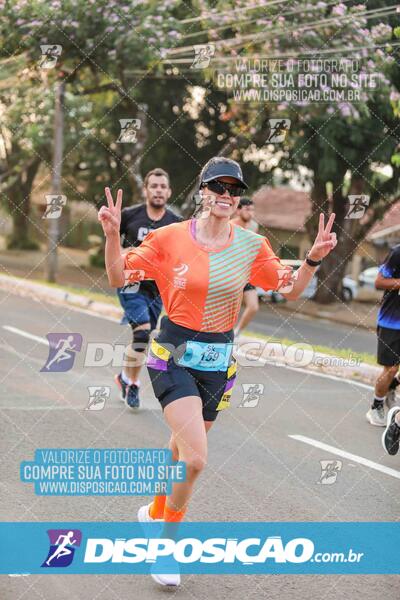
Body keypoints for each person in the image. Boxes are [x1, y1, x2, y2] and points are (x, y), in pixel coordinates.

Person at [98, 156, 337, 587]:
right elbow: (119, 275)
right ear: (203, 192)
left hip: (217, 361)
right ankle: (164, 546)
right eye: (219, 187)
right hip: (171, 350)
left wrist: (313, 260)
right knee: (195, 458)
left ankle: (152, 512)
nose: (227, 196)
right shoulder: (169, 237)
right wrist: (113, 235)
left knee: (179, 445)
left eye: (235, 189)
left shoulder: (251, 245)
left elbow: (291, 286)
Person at [115, 168, 181, 409]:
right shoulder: (130, 215)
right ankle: (132, 384)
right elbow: (111, 243)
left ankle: (123, 377)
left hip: (158, 289)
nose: (158, 190)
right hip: (131, 283)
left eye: (163, 186)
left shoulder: (175, 223)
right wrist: (121, 255)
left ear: (169, 191)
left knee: (143, 338)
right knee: (142, 334)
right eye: (154, 186)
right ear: (145, 190)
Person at [367, 245, 400, 427]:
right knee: (391, 369)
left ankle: (391, 385)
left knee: (393, 374)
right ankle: (375, 406)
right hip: (392, 321)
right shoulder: (398, 253)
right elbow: (379, 282)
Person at [231, 197, 260, 336]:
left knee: (253, 306)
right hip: (229, 273)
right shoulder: (229, 226)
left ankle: (237, 333)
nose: (251, 213)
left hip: (246, 272)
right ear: (238, 210)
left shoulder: (254, 227)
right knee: (228, 308)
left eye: (253, 210)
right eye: (247, 209)